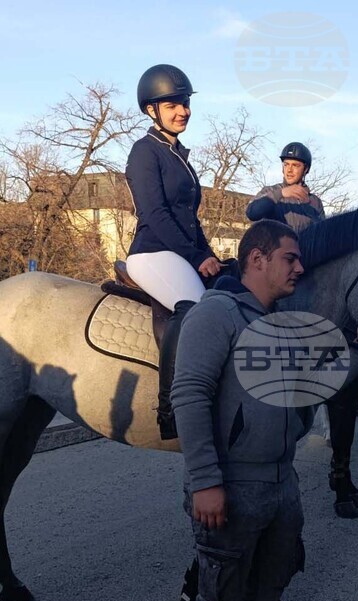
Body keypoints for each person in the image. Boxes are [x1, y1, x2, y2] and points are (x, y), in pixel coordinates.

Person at [172, 220, 308, 601]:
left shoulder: (283, 321)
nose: (299, 267)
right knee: (218, 599)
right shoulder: (217, 314)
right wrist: (206, 481)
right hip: (232, 484)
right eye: (289, 258)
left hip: (282, 483)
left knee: (267, 592)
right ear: (257, 259)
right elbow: (189, 395)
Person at [125, 63, 223, 441]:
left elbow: (191, 220)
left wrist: (211, 255)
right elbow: (155, 214)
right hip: (152, 252)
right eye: (172, 105)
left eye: (184, 102)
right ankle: (170, 410)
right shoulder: (144, 152)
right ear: (152, 110)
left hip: (180, 252)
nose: (182, 110)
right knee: (198, 314)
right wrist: (196, 257)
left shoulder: (179, 154)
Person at [245, 142, 325, 232]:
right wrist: (280, 193)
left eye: (295, 165)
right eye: (286, 164)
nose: (289, 170)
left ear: (305, 169)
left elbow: (322, 234)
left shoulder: (315, 202)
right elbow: (251, 213)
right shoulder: (270, 191)